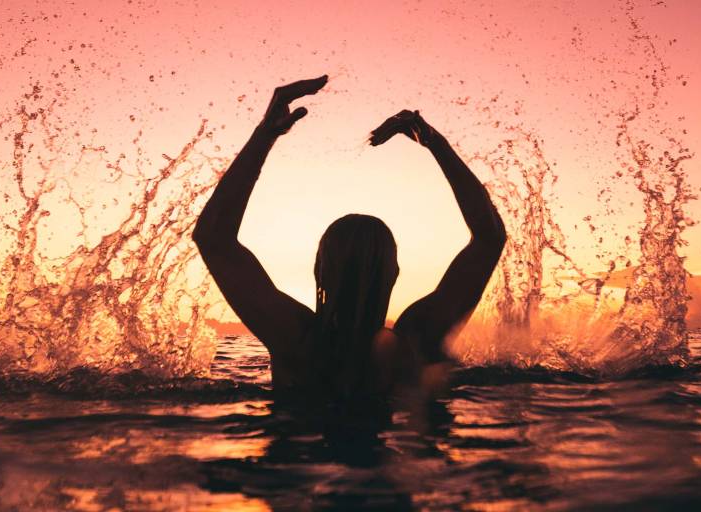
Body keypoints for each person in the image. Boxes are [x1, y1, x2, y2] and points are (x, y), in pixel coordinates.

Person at [193, 75, 506, 408]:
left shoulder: (295, 338)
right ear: (395, 271)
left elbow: (213, 237)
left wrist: (266, 135)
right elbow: (489, 238)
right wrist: (434, 143)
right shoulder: (417, 338)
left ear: (319, 269)